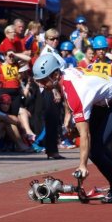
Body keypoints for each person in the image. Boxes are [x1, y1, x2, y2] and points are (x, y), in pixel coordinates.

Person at [32, 54, 112, 203]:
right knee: (97, 146)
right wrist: (69, 118)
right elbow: (67, 95)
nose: (41, 85)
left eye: (43, 81)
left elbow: (84, 134)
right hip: (102, 101)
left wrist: (82, 166)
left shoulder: (76, 91)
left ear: (55, 74)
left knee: (95, 150)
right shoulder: (65, 75)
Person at [39, 28, 67, 159]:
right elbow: (46, 73)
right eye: (52, 38)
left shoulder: (54, 52)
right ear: (46, 40)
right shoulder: (47, 53)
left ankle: (52, 149)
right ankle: (51, 150)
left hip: (56, 87)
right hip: (50, 89)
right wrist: (55, 90)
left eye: (57, 38)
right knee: (52, 120)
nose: (55, 41)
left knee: (55, 120)